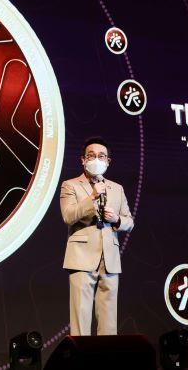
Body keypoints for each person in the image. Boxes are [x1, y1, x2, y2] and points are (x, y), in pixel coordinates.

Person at [60, 136, 134, 336]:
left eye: (101, 156)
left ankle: (106, 354)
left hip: (110, 259)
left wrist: (116, 219)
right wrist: (92, 196)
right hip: (81, 257)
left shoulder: (117, 188)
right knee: (81, 319)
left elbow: (129, 222)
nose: (96, 159)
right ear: (83, 160)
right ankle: (80, 354)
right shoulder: (70, 185)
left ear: (108, 161)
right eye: (91, 155)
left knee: (109, 321)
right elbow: (68, 216)